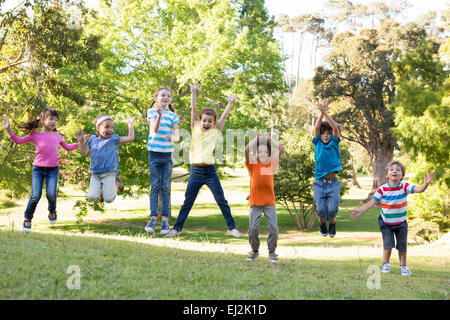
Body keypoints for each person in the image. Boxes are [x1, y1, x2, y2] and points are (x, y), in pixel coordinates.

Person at [166, 83, 242, 237]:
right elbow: (193, 109)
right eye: (204, 120)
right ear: (200, 121)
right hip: (195, 171)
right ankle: (176, 229)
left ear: (213, 123)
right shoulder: (195, 129)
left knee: (221, 200)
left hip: (210, 172)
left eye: (209, 121)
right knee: (188, 202)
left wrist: (230, 104)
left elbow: (223, 117)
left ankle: (231, 227)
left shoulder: (215, 132)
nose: (206, 123)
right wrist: (194, 92)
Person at [2, 109, 79, 232]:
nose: (54, 122)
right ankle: (28, 219)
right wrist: (8, 129)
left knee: (51, 194)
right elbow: (18, 141)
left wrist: (80, 143)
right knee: (35, 196)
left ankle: (52, 211)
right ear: (43, 120)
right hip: (38, 169)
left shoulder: (57, 135)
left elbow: (68, 148)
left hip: (53, 170)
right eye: (51, 119)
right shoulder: (36, 135)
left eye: (56, 120)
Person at [352, 161, 434, 276]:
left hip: (401, 223)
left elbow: (419, 189)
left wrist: (426, 184)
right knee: (388, 244)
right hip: (386, 222)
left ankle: (403, 267)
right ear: (387, 174)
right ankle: (386, 264)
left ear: (402, 175)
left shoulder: (405, 187)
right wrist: (361, 211)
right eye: (391, 169)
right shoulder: (382, 189)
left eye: (398, 170)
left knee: (402, 245)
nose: (394, 171)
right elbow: (372, 202)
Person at [144, 87, 180, 235]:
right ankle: (153, 218)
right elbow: (155, 129)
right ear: (156, 97)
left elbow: (177, 135)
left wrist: (173, 138)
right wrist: (159, 115)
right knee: (154, 186)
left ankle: (165, 221)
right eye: (163, 95)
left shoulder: (173, 115)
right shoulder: (151, 112)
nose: (166, 98)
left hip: (167, 155)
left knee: (165, 187)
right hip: (153, 153)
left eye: (169, 96)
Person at [77, 115, 135, 204]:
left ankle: (116, 182)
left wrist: (130, 124)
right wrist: (81, 142)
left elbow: (130, 138)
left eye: (112, 127)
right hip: (95, 173)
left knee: (108, 199)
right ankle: (106, 186)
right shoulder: (92, 139)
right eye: (107, 127)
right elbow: (85, 154)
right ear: (98, 128)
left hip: (109, 172)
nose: (110, 130)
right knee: (91, 197)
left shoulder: (113, 139)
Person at [245, 132, 283, 263]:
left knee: (273, 228)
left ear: (268, 154)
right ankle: (254, 251)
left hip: (269, 203)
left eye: (265, 152)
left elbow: (281, 148)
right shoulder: (253, 165)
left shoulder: (271, 164)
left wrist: (269, 138)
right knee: (253, 229)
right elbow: (246, 149)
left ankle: (272, 252)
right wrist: (256, 138)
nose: (262, 154)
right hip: (255, 203)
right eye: (259, 152)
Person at [312, 99, 341, 238]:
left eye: (328, 133)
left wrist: (326, 114)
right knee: (321, 209)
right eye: (324, 133)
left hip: (333, 182)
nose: (325, 135)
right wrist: (321, 114)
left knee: (332, 209)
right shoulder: (317, 143)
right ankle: (322, 223)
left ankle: (333, 223)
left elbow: (335, 128)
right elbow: (316, 128)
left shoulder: (334, 143)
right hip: (319, 182)